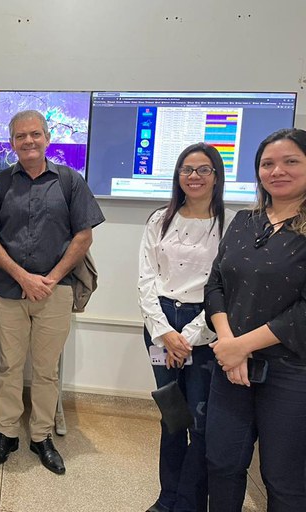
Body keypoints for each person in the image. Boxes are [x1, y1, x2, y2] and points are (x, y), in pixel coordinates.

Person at [0, 110, 105, 474]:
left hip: (55, 291)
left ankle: (41, 437)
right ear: (12, 142)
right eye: (20, 136)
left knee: (46, 371)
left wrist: (49, 277)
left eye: (35, 134)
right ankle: (5, 434)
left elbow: (84, 235)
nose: (28, 141)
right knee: (9, 366)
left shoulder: (69, 181)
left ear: (48, 138)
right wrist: (23, 277)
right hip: (8, 292)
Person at [205, 128, 306, 511]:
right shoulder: (245, 221)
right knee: (223, 462)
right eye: (267, 163)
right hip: (232, 368)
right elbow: (215, 283)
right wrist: (230, 346)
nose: (277, 170)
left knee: (284, 478)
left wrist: (239, 347)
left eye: (290, 161)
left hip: (291, 372)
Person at [137, 143, 232, 512]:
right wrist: (164, 333)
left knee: (202, 421)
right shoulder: (159, 219)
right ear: (178, 176)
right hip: (161, 325)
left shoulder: (231, 224)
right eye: (186, 170)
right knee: (172, 415)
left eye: (203, 169)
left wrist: (187, 338)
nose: (194, 176)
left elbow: (224, 288)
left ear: (216, 175)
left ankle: (190, 503)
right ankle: (167, 498)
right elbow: (146, 280)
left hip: (206, 328)